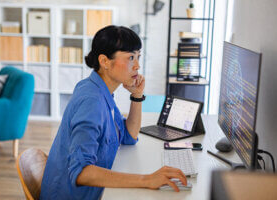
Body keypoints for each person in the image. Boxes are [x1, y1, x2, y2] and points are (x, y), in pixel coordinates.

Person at [40, 25, 187, 200]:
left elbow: (129, 136)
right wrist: (146, 179)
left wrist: (137, 96)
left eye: (138, 57)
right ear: (104, 61)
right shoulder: (92, 101)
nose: (137, 65)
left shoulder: (101, 91)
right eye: (131, 57)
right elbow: (80, 172)